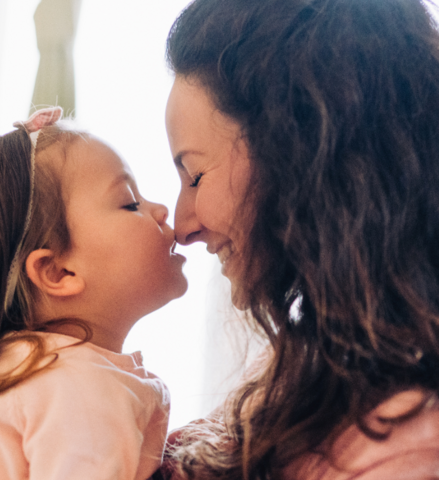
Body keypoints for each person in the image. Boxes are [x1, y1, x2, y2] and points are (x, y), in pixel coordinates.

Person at [162, 0, 439, 478]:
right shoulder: (312, 372)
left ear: (296, 155)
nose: (181, 225)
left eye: (195, 175)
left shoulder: (408, 448)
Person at [0, 107, 187, 480]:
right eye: (130, 203)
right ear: (59, 272)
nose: (162, 210)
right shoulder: (79, 393)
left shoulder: (15, 372)